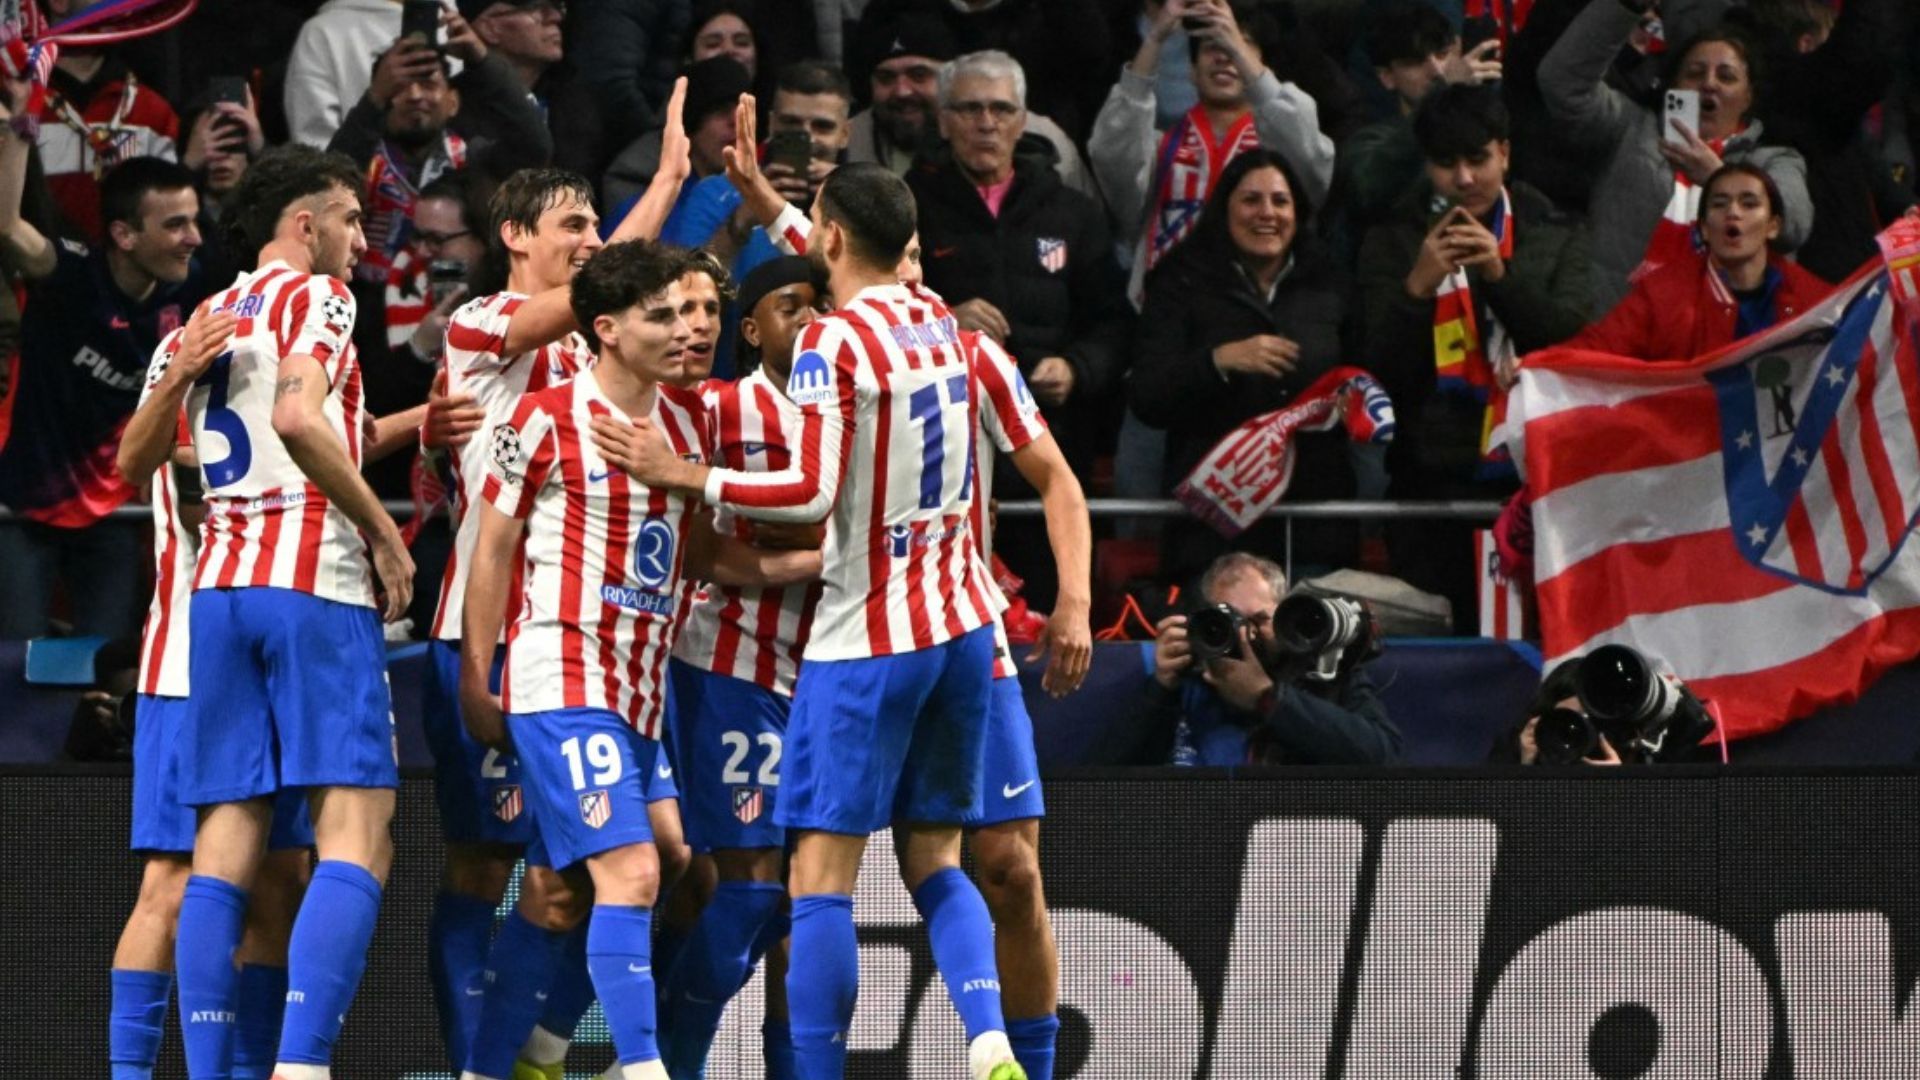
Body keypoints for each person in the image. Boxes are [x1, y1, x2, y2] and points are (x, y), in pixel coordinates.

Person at [611, 162, 1030, 1080]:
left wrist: (689, 477)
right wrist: (767, 201)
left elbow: (806, 489)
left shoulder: (830, 348)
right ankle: (990, 1040)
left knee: (817, 890)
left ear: (831, 241)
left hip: (855, 641)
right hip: (957, 629)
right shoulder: (953, 333)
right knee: (938, 860)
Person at [458, 238, 818, 1080]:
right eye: (661, 315)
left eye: (691, 313)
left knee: (589, 885)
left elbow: (699, 559)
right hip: (562, 673)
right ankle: (644, 1066)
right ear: (609, 329)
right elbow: (491, 550)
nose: (684, 330)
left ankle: (507, 1063)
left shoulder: (689, 423)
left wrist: (818, 562)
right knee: (634, 870)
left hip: (641, 689)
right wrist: (481, 671)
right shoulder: (541, 417)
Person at [431, 82, 695, 1080]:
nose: (591, 241)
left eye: (597, 222)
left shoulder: (598, 355)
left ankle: (537, 1054)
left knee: (620, 872)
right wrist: (670, 181)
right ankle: (483, 1065)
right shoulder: (482, 323)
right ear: (514, 236)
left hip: (604, 644)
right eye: (573, 225)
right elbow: (607, 294)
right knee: (511, 879)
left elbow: (620, 311)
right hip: (498, 637)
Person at [165, 142, 412, 1080]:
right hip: (312, 579)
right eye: (351, 219)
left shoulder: (211, 310)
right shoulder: (321, 297)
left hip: (220, 586)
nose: (360, 238)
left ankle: (211, 1066)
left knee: (225, 842)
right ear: (304, 225)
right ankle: (302, 1068)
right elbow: (301, 417)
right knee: (359, 829)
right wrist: (383, 534)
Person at [106, 310, 317, 1080]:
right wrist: (178, 377)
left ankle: (249, 1071)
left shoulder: (310, 349)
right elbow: (165, 479)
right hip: (192, 664)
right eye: (346, 219)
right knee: (172, 882)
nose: (361, 242)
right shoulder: (200, 353)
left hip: (276, 669)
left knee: (283, 881)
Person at [654, 254, 820, 1079]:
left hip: (832, 679)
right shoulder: (720, 409)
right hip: (732, 663)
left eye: (822, 306)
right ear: (751, 330)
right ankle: (662, 1062)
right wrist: (813, 555)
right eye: (791, 307)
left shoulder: (858, 411)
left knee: (802, 911)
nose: (812, 321)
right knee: (751, 888)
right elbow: (692, 550)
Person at [1357, 83, 1591, 632]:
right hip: (1428, 486)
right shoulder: (1393, 239)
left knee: (1532, 648)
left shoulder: (1555, 230)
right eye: (1445, 163)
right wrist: (1417, 288)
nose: (1464, 179)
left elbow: (1573, 349)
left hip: (1534, 483)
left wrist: (1499, 279)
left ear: (1505, 152)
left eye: (1478, 159)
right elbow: (1375, 371)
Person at [909, 49, 1131, 609]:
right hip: (940, 462)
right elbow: (865, 309)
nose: (987, 123)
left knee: (1046, 618)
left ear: (1023, 118)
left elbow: (1114, 322)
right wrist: (942, 321)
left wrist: (1079, 367)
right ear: (942, 120)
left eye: (1002, 109)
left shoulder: (1071, 212)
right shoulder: (906, 205)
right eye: (970, 109)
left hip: (1048, 451)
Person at [0, 141, 209, 640]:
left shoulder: (191, 292)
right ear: (124, 235)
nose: (194, 238)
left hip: (113, 512)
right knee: (17, 667)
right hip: (25, 500)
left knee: (111, 661)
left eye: (194, 220)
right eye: (175, 224)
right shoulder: (71, 276)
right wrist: (18, 128)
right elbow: (8, 227)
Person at [1130, 148, 1357, 587]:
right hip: (1213, 528)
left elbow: (1366, 368)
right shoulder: (1180, 279)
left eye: (1280, 200)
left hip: (1314, 523)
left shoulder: (1331, 281)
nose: (1267, 213)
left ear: (1299, 210)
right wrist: (1218, 361)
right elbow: (1148, 395)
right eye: (1251, 200)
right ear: (1224, 209)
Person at [1539, 0, 1811, 312]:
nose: (1709, 83)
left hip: (1722, 342)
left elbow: (1793, 224)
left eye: (1726, 76)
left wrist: (1718, 180)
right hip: (1619, 335)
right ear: (1674, 87)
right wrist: (1624, 7)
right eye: (1695, 73)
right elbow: (1562, 84)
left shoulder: (1774, 161)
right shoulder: (1629, 130)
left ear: (1748, 95)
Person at [1089, 0, 1334, 306]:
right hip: (1167, 322)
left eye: (1236, 47)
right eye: (1210, 48)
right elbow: (1111, 154)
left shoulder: (1282, 153)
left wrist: (1235, 43)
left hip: (1263, 316)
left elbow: (1311, 162)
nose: (1223, 57)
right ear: (1191, 71)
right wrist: (1154, 39)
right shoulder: (1156, 149)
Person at [327, 11, 553, 289]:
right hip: (369, 312)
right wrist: (373, 99)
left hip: (461, 305)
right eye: (400, 87)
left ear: (453, 102)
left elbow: (535, 146)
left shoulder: (475, 160)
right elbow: (325, 187)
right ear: (382, 98)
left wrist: (480, 60)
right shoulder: (360, 162)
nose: (415, 95)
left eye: (429, 84)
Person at [1132, 553, 1398, 765]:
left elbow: (1383, 755)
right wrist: (1161, 686)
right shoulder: (1189, 676)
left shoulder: (1321, 671)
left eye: (1260, 620)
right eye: (1231, 621)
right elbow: (1110, 774)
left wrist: (1268, 698)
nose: (1247, 635)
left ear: (1284, 617)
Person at [1565, 161, 1833, 359]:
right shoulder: (1663, 295)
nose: (1733, 212)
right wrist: (1532, 369)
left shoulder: (1814, 300)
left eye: (1749, 203)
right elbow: (1596, 349)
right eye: (1719, 204)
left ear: (1773, 226)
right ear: (1704, 228)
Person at [848, 13, 1095, 198]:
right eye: (886, 78)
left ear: (951, 81)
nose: (902, 91)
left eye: (919, 74)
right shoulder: (848, 140)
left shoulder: (1036, 136)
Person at [1338, 0, 1503, 236]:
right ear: (1387, 76)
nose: (1436, 71)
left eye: (1442, 54)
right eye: (1415, 62)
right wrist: (1444, 93)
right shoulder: (1370, 141)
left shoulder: (1488, 124)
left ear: (1457, 49)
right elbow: (1368, 187)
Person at [34, 4, 180, 242]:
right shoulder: (19, 108)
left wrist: (193, 171)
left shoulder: (152, 111)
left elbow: (168, 217)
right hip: (39, 272)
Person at [462, 0, 612, 178]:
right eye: (536, 8)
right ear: (490, 28)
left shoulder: (577, 101)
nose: (556, 17)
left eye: (557, 6)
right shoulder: (454, 106)